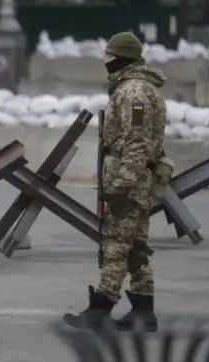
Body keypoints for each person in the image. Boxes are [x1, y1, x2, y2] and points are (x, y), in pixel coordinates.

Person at [63, 32, 166, 332]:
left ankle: (101, 308)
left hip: (129, 180)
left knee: (116, 244)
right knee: (135, 244)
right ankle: (144, 309)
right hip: (134, 176)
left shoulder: (133, 92)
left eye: (108, 55)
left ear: (121, 57)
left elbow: (137, 141)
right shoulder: (134, 88)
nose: (104, 60)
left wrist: (122, 183)